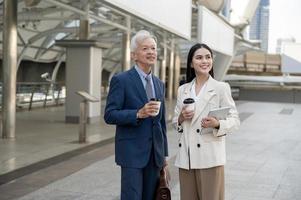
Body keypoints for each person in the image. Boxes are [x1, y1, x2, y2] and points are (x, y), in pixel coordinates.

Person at [104, 30, 168, 200]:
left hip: (155, 155)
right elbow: (110, 115)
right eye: (145, 48)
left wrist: (164, 154)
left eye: (153, 48)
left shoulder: (159, 84)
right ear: (134, 55)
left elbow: (161, 123)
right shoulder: (121, 80)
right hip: (131, 153)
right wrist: (138, 113)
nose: (151, 52)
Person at [172, 43, 240, 200]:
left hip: (210, 158)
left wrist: (217, 124)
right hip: (186, 159)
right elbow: (176, 121)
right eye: (199, 57)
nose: (205, 61)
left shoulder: (221, 88)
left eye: (208, 57)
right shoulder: (183, 89)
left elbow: (234, 120)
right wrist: (181, 118)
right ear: (191, 63)